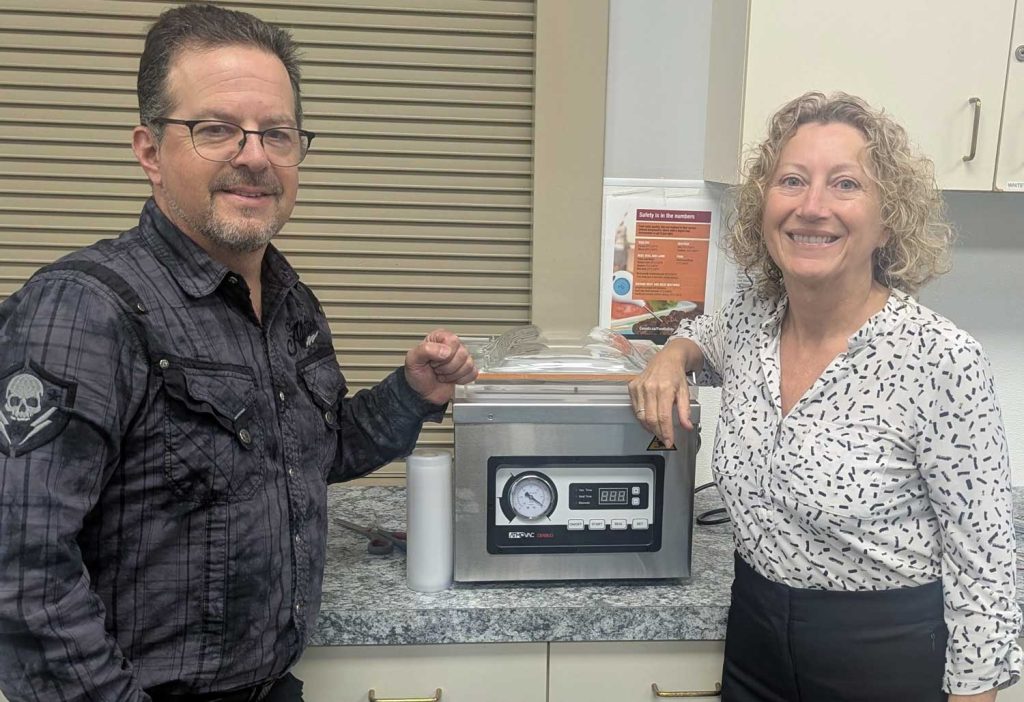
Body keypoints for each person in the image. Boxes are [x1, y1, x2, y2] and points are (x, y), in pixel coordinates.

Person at [0, 4, 476, 701]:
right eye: (216, 128)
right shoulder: (82, 310)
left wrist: (411, 391)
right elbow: (21, 570)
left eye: (277, 134)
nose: (254, 156)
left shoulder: (288, 302)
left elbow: (310, 449)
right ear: (149, 151)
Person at [628, 91, 1020, 701]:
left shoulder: (941, 360)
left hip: (884, 654)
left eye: (845, 185)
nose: (812, 207)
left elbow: (985, 560)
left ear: (888, 219)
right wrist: (671, 355)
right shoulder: (752, 320)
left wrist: (975, 693)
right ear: (764, 207)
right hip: (756, 634)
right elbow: (699, 334)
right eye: (792, 181)